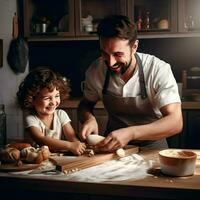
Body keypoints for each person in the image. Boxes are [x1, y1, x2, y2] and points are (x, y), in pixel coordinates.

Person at [77, 15, 183, 152]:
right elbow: (85, 104)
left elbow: (175, 122)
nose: (110, 62)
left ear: (134, 47)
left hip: (153, 146)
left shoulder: (157, 69)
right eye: (105, 53)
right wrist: (88, 118)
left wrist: (131, 133)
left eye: (118, 54)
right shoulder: (96, 69)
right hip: (112, 146)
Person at [17, 67, 86, 155]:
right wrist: (70, 146)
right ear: (31, 99)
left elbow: (72, 138)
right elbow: (41, 140)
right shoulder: (31, 119)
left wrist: (79, 146)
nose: (53, 102)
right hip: (37, 162)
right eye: (47, 98)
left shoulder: (61, 114)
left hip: (58, 159)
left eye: (57, 96)